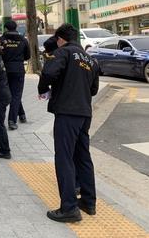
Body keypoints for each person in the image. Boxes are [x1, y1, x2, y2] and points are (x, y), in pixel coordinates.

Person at [38, 24, 99, 223]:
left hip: (67, 112)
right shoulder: (90, 59)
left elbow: (48, 73)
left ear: (60, 39)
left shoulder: (63, 52)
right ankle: (89, 202)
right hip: (84, 113)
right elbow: (94, 89)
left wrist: (43, 88)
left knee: (64, 157)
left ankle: (69, 208)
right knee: (83, 156)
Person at [0, 20, 30, 130]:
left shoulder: (1, 40)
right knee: (16, 95)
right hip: (19, 70)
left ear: (6, 28)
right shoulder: (23, 40)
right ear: (15, 28)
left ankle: (20, 116)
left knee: (14, 94)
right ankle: (13, 120)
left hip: (5, 70)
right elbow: (27, 56)